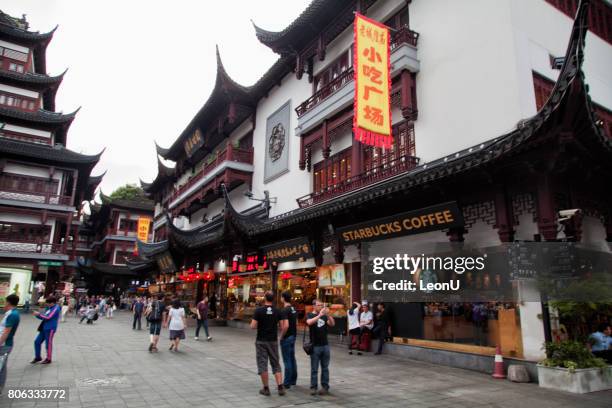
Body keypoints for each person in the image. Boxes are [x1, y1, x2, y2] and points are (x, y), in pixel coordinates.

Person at [250, 291, 287, 396]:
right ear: (273, 299)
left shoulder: (259, 311)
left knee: (263, 364)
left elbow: (252, 326)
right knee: (275, 363)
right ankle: (280, 387)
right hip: (273, 341)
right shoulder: (277, 311)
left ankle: (266, 388)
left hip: (261, 340)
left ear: (265, 298)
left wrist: (261, 324)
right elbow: (282, 326)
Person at [306, 299, 335, 395]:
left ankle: (325, 387)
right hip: (315, 346)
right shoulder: (310, 315)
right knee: (314, 368)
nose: (321, 307)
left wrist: (328, 314)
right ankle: (313, 387)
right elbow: (309, 322)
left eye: (322, 305)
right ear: (313, 306)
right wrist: (319, 315)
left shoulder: (324, 316)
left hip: (325, 345)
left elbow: (332, 324)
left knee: (325, 368)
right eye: (319, 305)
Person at [32, 296, 61, 364]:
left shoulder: (56, 308)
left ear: (53, 303)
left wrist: (38, 314)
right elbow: (44, 317)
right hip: (44, 328)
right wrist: (37, 315)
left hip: (50, 328)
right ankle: (38, 357)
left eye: (48, 303)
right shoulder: (50, 308)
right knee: (37, 342)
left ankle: (48, 358)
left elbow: (48, 317)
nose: (47, 304)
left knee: (48, 344)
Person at [0, 294, 20, 394]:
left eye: (5, 302)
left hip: (4, 345)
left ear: (8, 302)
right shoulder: (11, 313)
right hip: (5, 344)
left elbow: (6, 332)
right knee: (2, 367)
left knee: (1, 367)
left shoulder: (13, 314)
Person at [279, 291, 298, 389]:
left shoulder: (284, 310)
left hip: (287, 337)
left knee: (287, 360)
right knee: (292, 358)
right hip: (293, 336)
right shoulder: (294, 309)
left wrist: (281, 336)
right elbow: (296, 323)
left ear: (283, 298)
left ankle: (286, 382)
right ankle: (293, 380)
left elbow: (285, 326)